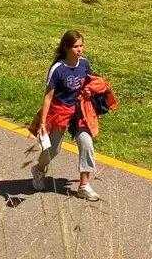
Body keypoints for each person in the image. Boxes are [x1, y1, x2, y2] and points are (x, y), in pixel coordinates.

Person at [29, 30, 99, 201]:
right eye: (76, 47)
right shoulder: (57, 69)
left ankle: (84, 186)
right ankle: (39, 169)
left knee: (87, 144)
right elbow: (48, 98)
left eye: (81, 46)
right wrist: (43, 123)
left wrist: (90, 92)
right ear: (66, 48)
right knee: (53, 150)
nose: (80, 50)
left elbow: (88, 84)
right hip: (59, 112)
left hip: (79, 110)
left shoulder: (84, 64)